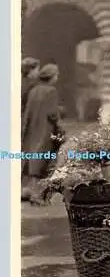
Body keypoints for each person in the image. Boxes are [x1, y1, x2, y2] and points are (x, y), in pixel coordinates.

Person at [21, 61, 64, 203]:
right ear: (52, 77)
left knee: (34, 161)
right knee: (46, 161)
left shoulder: (34, 90)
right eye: (56, 75)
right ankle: (37, 194)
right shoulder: (51, 91)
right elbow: (52, 114)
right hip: (46, 131)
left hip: (33, 130)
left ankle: (29, 191)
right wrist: (61, 129)